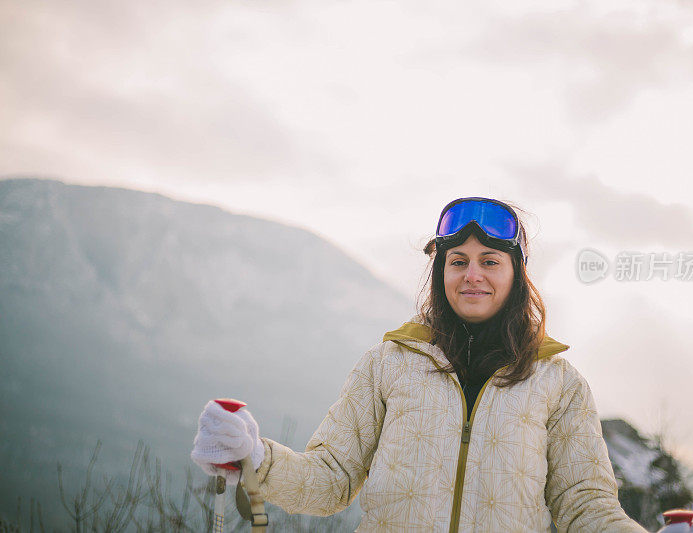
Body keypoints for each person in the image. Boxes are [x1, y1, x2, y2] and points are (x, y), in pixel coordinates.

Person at [191, 197, 647, 532]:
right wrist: (256, 458)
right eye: (458, 261)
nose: (473, 275)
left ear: (516, 275)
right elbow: (331, 479)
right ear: (440, 272)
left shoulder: (558, 384)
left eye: (490, 261)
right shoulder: (388, 364)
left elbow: (584, 505)